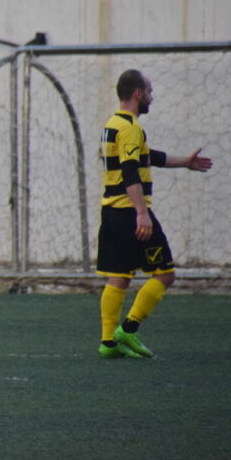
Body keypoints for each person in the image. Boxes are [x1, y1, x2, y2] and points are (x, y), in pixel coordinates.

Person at [96, 69, 212, 359]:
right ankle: (129, 328)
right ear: (138, 94)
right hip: (129, 211)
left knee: (118, 277)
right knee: (165, 274)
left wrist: (184, 162)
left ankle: (108, 342)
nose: (152, 97)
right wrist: (142, 213)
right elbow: (130, 170)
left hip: (111, 211)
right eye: (149, 91)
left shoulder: (112, 124)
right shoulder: (130, 128)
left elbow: (148, 157)